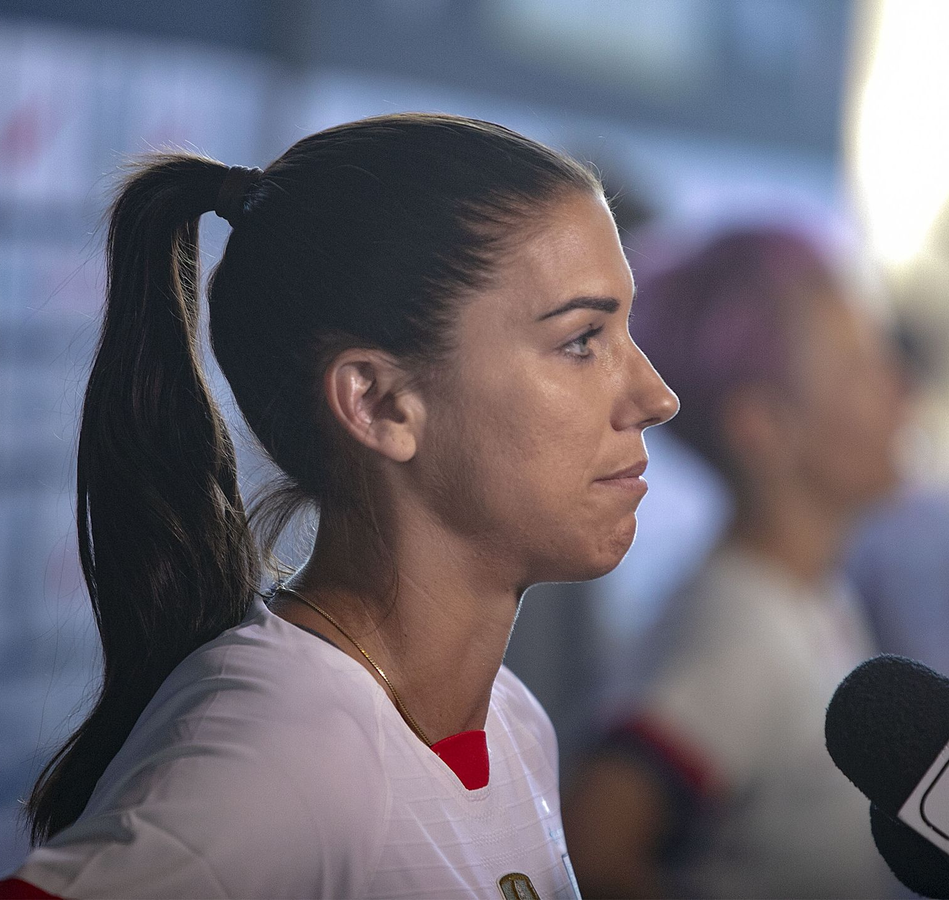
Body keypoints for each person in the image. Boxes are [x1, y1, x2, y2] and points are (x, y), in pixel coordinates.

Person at [0, 113, 678, 899]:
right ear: (378, 401)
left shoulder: (513, 724)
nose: (655, 396)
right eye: (581, 340)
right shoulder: (288, 746)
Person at [562, 226, 907, 899]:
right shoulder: (740, 629)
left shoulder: (804, 595)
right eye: (859, 366)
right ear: (762, 424)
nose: (901, 389)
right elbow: (591, 851)